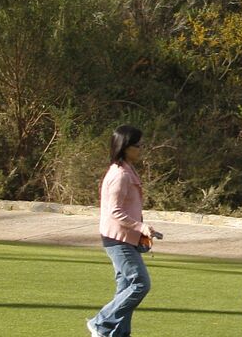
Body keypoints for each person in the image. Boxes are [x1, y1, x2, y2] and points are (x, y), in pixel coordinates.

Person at [87, 124, 160, 337]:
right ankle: (101, 323)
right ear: (126, 147)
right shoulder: (119, 175)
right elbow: (114, 211)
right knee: (140, 284)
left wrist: (142, 230)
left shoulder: (127, 170)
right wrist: (141, 226)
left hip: (126, 238)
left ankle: (118, 334)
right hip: (117, 239)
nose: (141, 148)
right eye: (138, 145)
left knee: (125, 287)